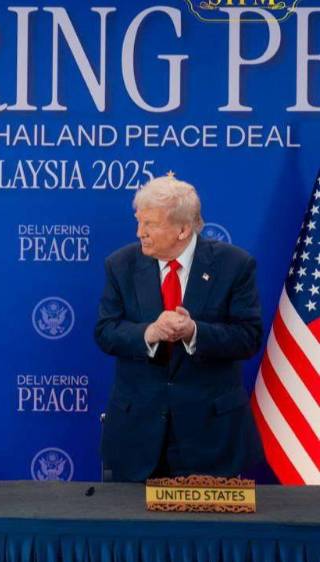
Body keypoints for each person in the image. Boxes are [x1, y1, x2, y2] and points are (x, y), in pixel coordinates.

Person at [95, 175, 263, 482]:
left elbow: (248, 337)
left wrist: (194, 332)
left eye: (150, 224)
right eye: (139, 221)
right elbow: (106, 332)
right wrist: (149, 333)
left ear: (183, 230)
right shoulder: (120, 265)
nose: (140, 233)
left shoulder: (234, 265)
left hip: (210, 438)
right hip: (137, 438)